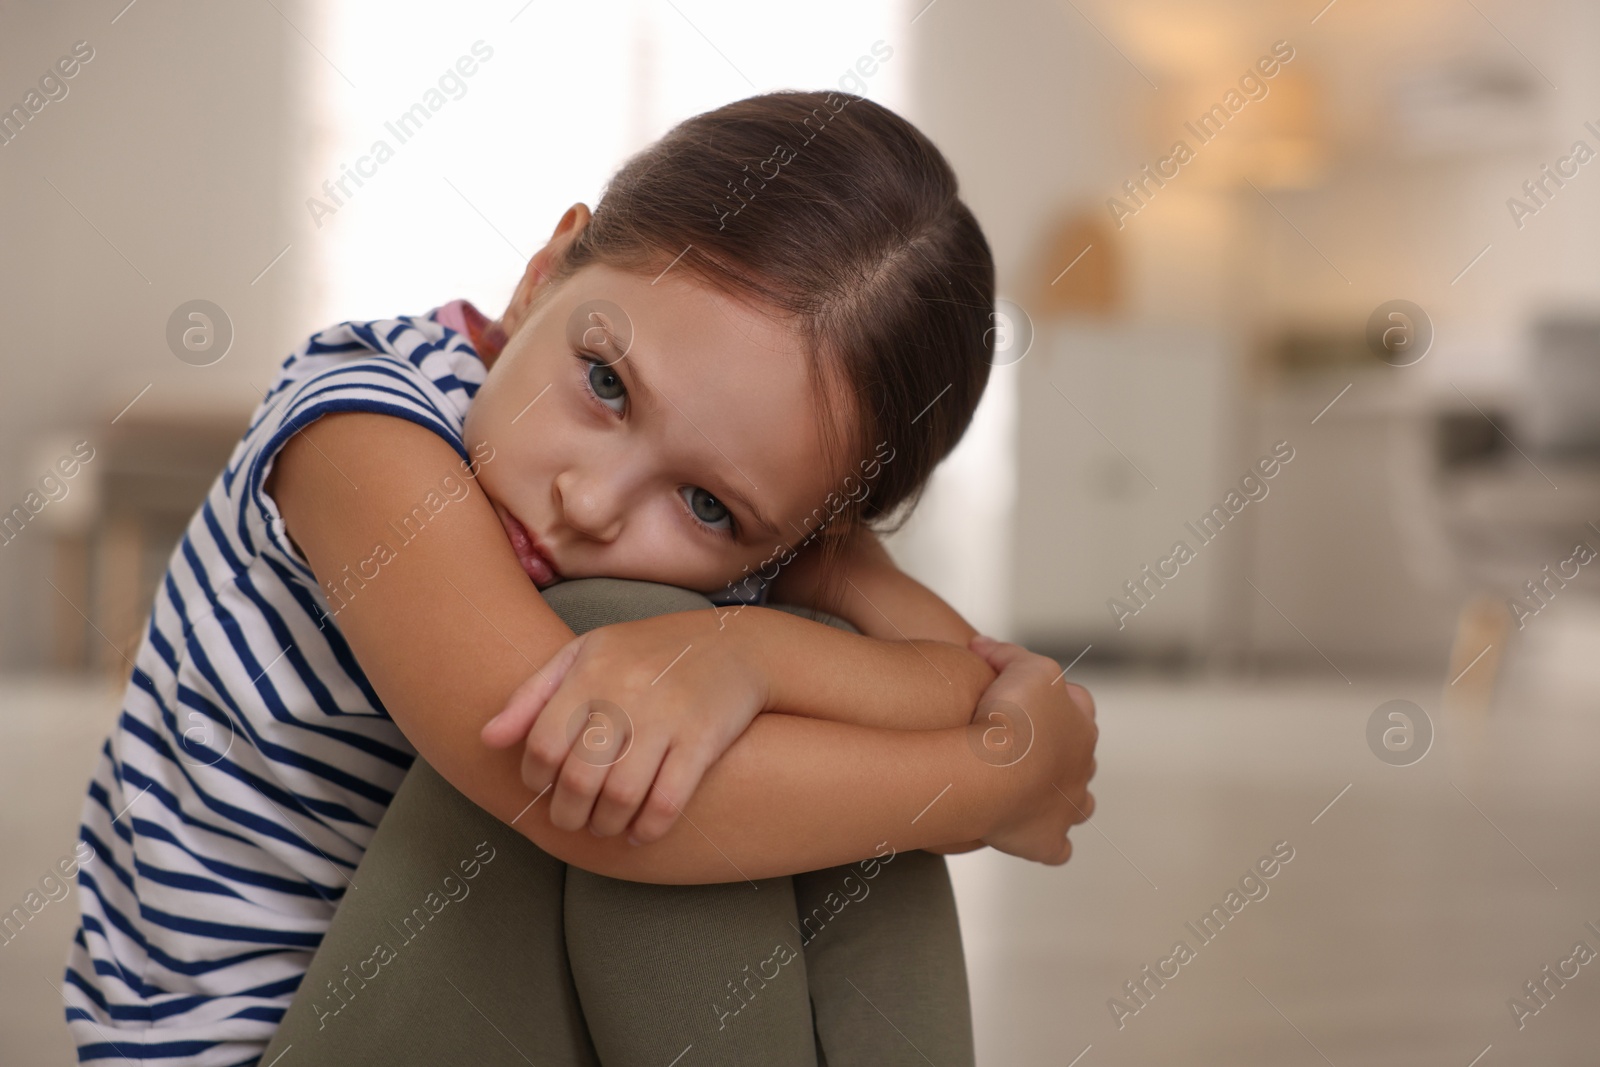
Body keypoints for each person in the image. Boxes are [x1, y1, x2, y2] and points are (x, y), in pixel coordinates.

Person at [62, 91, 1098, 1066]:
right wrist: (989, 785)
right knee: (624, 658)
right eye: (605, 382)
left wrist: (747, 651)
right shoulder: (356, 426)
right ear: (546, 271)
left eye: (707, 506)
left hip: (484, 1004)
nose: (592, 502)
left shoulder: (767, 515)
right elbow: (587, 791)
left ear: (810, 526)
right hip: (270, 1038)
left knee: (738, 699)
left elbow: (959, 679)